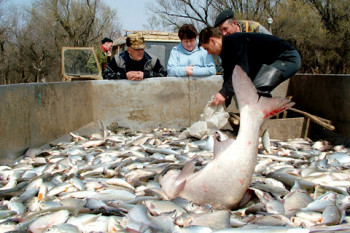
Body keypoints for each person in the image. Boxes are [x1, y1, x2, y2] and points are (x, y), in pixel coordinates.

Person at [198, 27, 301, 107]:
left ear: (213, 41)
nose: (209, 53)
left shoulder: (235, 41)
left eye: (207, 48)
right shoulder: (226, 54)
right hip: (272, 63)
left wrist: (224, 94)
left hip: (287, 58)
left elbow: (242, 71)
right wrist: (224, 100)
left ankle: (267, 124)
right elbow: (229, 78)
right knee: (249, 91)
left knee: (256, 89)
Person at [103, 33, 167, 80]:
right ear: (128, 50)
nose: (140, 51)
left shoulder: (152, 60)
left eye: (142, 49)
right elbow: (105, 75)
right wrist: (124, 75)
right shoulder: (118, 60)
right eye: (136, 49)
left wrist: (145, 75)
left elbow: (164, 74)